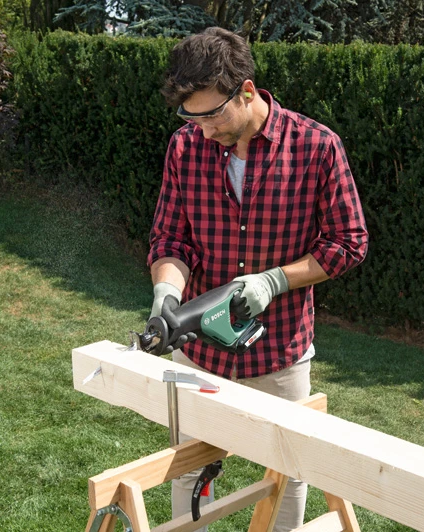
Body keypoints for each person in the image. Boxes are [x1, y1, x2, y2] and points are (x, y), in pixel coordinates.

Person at [148, 26, 368, 532]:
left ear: (246, 91)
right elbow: (171, 239)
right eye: (192, 118)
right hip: (200, 355)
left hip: (280, 354)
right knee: (189, 471)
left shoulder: (316, 146)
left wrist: (274, 282)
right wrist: (168, 293)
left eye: (212, 116)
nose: (204, 131)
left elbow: (348, 242)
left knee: (288, 474)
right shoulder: (185, 148)